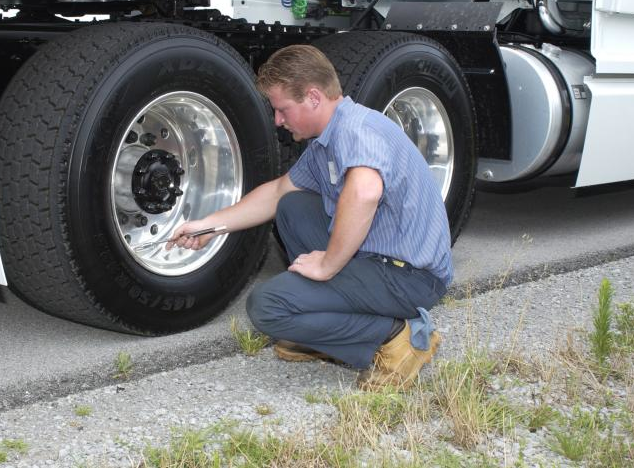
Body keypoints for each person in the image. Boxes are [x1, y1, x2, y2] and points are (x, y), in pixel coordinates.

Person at [167, 44, 453, 390]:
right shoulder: (326, 141)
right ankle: (325, 335)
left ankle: (399, 338)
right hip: (377, 259)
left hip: (410, 277)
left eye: (282, 109)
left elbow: (364, 192)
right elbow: (276, 193)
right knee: (292, 207)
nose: (278, 120)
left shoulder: (357, 130)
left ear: (314, 98)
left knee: (267, 307)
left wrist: (328, 265)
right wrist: (209, 226)